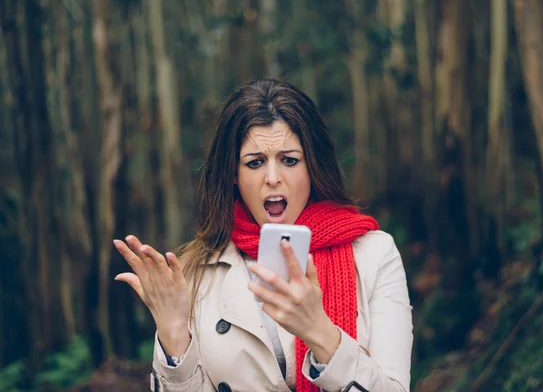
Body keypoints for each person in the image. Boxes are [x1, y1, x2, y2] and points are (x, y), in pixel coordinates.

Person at [113, 79, 413, 392]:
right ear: (233, 173)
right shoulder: (194, 271)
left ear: (313, 165)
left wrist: (322, 334)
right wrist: (173, 333)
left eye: (289, 160)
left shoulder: (374, 253)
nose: (272, 178)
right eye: (255, 163)